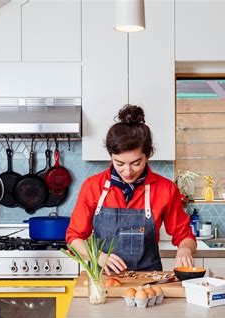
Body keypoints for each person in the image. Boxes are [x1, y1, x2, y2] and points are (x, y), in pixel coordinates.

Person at [66, 104, 197, 274]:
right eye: (119, 163)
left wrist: (185, 249)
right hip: (103, 281)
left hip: (148, 281)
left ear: (147, 155)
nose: (127, 172)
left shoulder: (165, 189)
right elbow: (73, 238)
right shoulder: (93, 187)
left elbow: (185, 235)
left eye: (136, 163)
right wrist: (98, 256)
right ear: (111, 156)